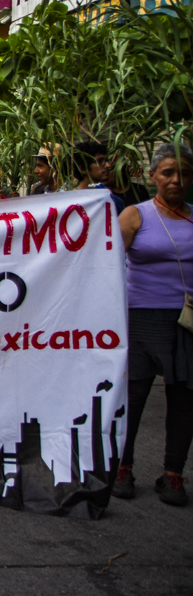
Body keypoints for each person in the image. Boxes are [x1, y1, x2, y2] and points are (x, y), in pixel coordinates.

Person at [114, 143, 193, 507]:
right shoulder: (135, 216)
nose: (176, 180)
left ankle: (173, 474)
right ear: (153, 176)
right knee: (133, 397)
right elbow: (107, 265)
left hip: (186, 322)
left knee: (184, 399)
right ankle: (122, 468)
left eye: (185, 174)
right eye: (168, 173)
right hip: (140, 317)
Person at [74, 141, 125, 213]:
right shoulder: (68, 201)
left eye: (107, 160)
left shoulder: (112, 199)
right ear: (83, 168)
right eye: (100, 161)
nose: (108, 165)